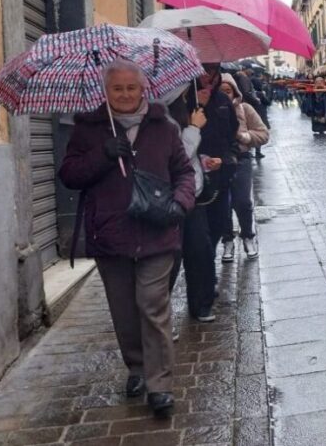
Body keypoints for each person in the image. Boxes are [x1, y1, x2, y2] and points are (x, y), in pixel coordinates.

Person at [58, 60, 194, 417]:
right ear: (106, 91)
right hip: (111, 234)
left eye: (131, 88)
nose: (124, 95)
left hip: (157, 231)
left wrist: (179, 204)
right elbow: (70, 175)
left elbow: (183, 172)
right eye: (117, 88)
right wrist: (102, 155)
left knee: (152, 304)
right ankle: (136, 367)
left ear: (143, 90)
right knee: (124, 311)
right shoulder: (88, 129)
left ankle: (159, 384)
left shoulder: (164, 127)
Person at [164, 87, 218, 323]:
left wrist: (204, 163)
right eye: (185, 97)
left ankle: (201, 304)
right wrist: (194, 129)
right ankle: (160, 318)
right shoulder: (165, 123)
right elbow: (177, 157)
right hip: (171, 200)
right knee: (170, 261)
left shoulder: (179, 121)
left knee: (200, 253)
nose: (189, 100)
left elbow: (190, 159)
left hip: (193, 197)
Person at [219, 74, 270, 261]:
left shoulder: (245, 109)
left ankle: (247, 235)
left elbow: (263, 134)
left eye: (228, 91)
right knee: (223, 204)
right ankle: (227, 241)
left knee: (242, 201)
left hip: (241, 159)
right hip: (219, 163)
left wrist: (245, 136)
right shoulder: (208, 110)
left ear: (234, 91)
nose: (225, 95)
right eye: (220, 91)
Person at [196, 64, 240, 272]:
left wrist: (225, 159)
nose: (207, 75)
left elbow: (232, 136)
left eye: (211, 70)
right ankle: (202, 287)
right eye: (203, 69)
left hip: (219, 179)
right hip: (192, 180)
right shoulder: (183, 100)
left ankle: (207, 276)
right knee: (197, 239)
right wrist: (198, 106)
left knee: (215, 228)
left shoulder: (223, 101)